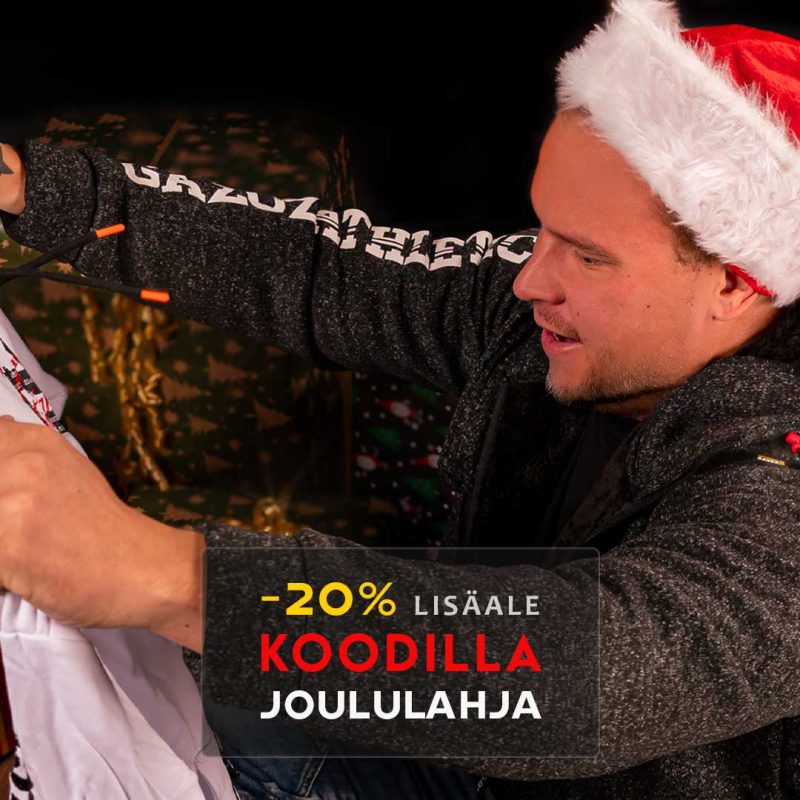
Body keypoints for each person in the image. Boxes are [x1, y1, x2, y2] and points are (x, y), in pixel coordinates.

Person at [0, 0, 798, 797]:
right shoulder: (536, 303)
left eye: (588, 257)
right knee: (144, 681)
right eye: (542, 230)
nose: (530, 278)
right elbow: (321, 269)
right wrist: (38, 191)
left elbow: (578, 671)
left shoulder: (782, 504)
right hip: (455, 753)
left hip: (527, 744)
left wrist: (169, 575)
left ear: (736, 281)